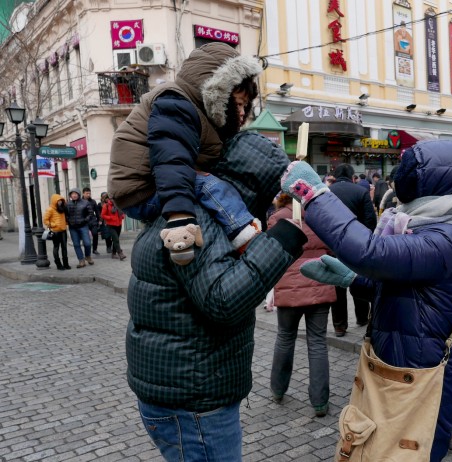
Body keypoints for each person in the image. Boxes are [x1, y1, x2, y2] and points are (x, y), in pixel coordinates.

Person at [282, 140, 452, 461]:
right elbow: (401, 287)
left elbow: (371, 253)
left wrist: (312, 194)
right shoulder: (418, 224)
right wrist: (353, 279)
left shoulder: (447, 237)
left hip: (415, 372)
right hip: (391, 364)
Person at [126, 131, 308, 462]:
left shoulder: (195, 209)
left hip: (185, 391)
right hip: (194, 404)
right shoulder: (203, 219)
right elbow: (223, 299)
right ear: (250, 187)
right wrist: (279, 242)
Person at [108, 42, 263, 265]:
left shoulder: (201, 114)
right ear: (217, 93)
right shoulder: (176, 104)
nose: (241, 113)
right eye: (237, 104)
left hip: (148, 187)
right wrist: (179, 220)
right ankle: (247, 239)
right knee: (209, 185)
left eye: (245, 106)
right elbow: (172, 162)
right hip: (140, 190)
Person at [268, 192, 336, 417]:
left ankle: (278, 389)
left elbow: (270, 253)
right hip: (320, 281)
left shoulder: (277, 219)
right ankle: (320, 402)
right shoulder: (321, 217)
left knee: (285, 337)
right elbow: (332, 248)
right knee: (317, 342)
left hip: (289, 286)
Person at [328, 163, 377, 336]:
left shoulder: (328, 193)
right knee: (358, 279)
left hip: (334, 245)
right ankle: (362, 317)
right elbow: (371, 220)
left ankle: (340, 325)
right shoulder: (360, 192)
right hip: (357, 245)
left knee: (337, 285)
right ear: (352, 177)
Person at [66, 188, 95, 268]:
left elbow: (91, 213)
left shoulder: (85, 203)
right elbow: (65, 215)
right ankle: (81, 260)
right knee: (76, 244)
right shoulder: (68, 204)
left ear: (79, 194)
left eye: (76, 194)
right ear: (70, 195)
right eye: (72, 194)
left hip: (83, 226)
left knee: (87, 243)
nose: (74, 195)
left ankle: (88, 256)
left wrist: (85, 220)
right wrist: (68, 220)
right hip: (73, 227)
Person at [43, 194, 71, 270]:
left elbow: (64, 218)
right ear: (54, 201)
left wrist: (66, 223)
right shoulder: (50, 209)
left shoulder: (62, 208)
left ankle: (66, 264)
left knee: (64, 247)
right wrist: (53, 225)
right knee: (56, 247)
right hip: (55, 231)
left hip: (63, 230)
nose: (60, 202)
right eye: (58, 201)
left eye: (61, 201)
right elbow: (45, 220)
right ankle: (58, 264)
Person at [100, 194, 127, 260]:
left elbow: (122, 212)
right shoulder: (106, 205)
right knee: (116, 239)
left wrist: (122, 216)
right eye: (111, 198)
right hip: (111, 225)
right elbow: (103, 215)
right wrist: (110, 217)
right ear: (108, 199)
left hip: (119, 224)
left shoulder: (118, 205)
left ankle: (113, 253)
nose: (113, 199)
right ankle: (120, 253)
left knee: (116, 239)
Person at [82, 187, 101, 255]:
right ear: (83, 193)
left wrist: (99, 220)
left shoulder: (93, 201)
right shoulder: (80, 201)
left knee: (95, 234)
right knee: (86, 237)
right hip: (84, 221)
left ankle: (95, 249)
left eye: (89, 193)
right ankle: (87, 250)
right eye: (87, 193)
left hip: (92, 220)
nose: (88, 195)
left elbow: (97, 211)